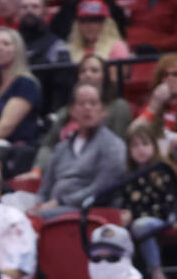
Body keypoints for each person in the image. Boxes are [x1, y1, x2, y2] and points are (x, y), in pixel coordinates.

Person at [31, 83, 125, 216]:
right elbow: (45, 188)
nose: (87, 108)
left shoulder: (113, 145)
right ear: (72, 111)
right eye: (81, 104)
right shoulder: (61, 148)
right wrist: (38, 204)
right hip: (52, 207)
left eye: (93, 103)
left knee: (33, 218)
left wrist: (60, 202)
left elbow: (102, 188)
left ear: (104, 111)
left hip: (87, 212)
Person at [33, 55, 131, 174]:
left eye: (94, 70)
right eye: (83, 71)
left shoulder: (118, 107)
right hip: (60, 171)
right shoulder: (66, 111)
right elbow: (48, 146)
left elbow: (118, 149)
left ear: (105, 76)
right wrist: (37, 170)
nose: (87, 75)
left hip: (97, 171)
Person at [121, 121, 177, 279]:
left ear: (154, 145)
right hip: (139, 223)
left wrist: (134, 215)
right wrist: (124, 214)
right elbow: (126, 203)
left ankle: (156, 273)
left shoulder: (164, 171)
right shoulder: (127, 176)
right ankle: (124, 277)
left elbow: (166, 206)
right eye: (135, 145)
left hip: (166, 220)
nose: (141, 150)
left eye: (145, 144)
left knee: (141, 225)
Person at [66, 0, 129, 66]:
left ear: (106, 24)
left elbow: (118, 73)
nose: (88, 26)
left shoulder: (117, 47)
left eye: (94, 20)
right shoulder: (70, 49)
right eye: (83, 21)